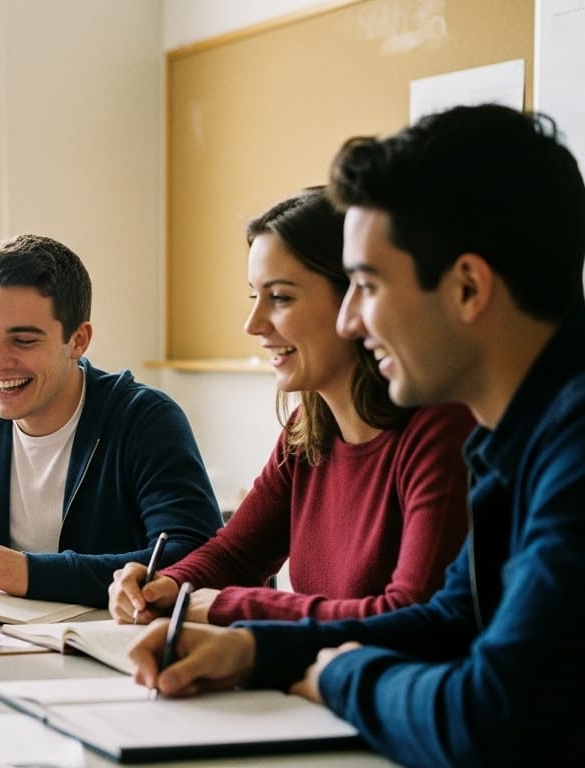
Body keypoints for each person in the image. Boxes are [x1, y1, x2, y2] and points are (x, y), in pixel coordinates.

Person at [125, 105, 585, 767]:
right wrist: (256, 651)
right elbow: (449, 619)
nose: (348, 320)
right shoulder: (513, 435)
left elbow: (492, 716)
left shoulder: (571, 447)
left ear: (466, 287)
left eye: (366, 286)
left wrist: (339, 677)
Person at [108, 188, 473, 626]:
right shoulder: (308, 428)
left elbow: (411, 615)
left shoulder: (441, 428)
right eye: (253, 297)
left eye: (279, 297)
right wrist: (165, 584)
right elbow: (236, 553)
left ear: (356, 299)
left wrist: (230, 605)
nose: (253, 324)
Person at [0, 234, 223, 607]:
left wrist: (30, 573)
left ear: (78, 340)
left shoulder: (144, 419)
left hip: (114, 650)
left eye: (23, 341)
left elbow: (193, 556)